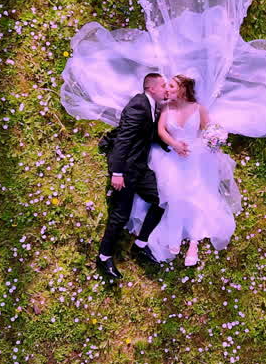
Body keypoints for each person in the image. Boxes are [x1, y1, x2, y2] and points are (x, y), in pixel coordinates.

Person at [127, 74, 240, 267]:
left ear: (182, 89)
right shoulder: (167, 108)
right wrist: (175, 144)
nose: (167, 89)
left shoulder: (198, 109)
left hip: (197, 157)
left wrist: (214, 139)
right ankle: (174, 235)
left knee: (198, 195)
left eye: (171, 86)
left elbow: (208, 130)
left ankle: (194, 244)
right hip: (172, 155)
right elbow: (162, 131)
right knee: (173, 195)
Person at [95, 72, 170, 282]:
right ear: (151, 88)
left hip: (141, 168)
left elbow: (148, 133)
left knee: (162, 199)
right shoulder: (138, 105)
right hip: (127, 169)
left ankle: (140, 244)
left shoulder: (151, 106)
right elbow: (123, 140)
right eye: (163, 85)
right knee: (120, 215)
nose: (166, 89)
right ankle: (104, 257)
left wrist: (171, 146)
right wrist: (117, 172)